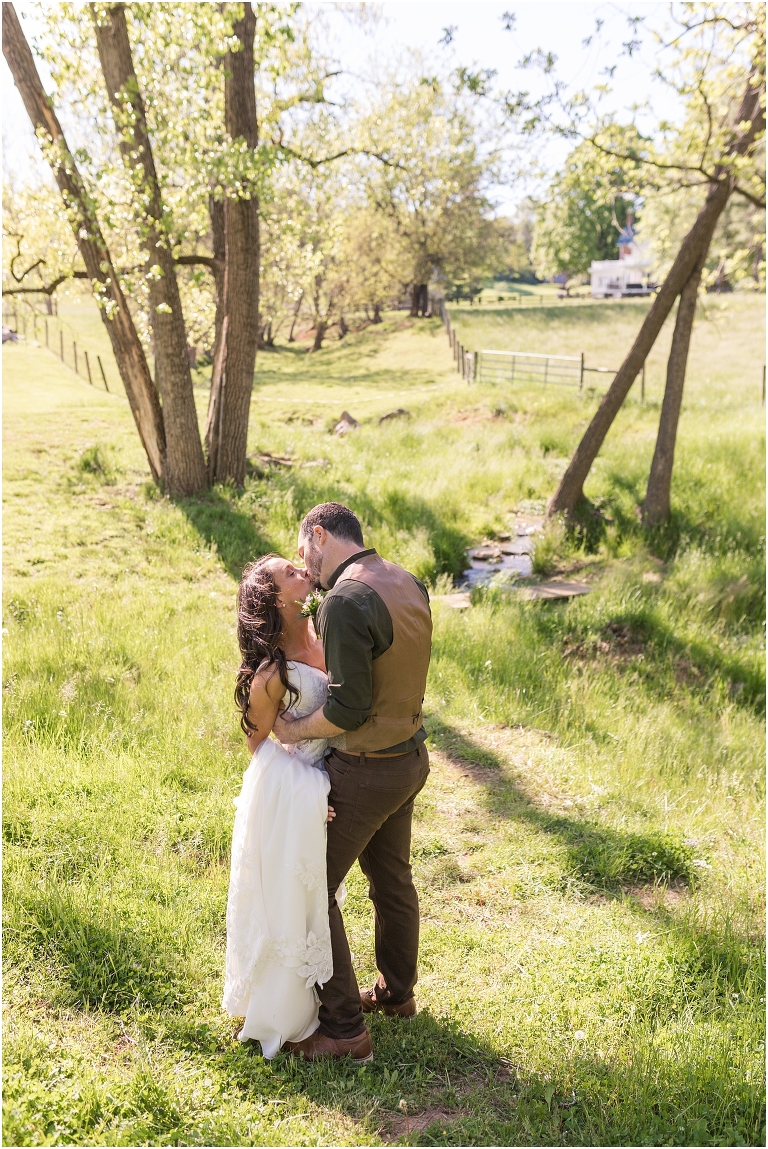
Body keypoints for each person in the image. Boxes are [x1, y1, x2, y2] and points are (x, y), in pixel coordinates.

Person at [274, 502, 433, 1064]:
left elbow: (348, 708)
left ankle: (344, 1030)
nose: (305, 566)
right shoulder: (406, 581)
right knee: (391, 879)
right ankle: (396, 994)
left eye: (303, 553)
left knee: (311, 889)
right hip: (410, 758)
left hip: (366, 769)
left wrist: (292, 728)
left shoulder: (344, 599)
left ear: (319, 536)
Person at [221, 554, 349, 1059]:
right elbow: (259, 746)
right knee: (291, 897)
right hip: (295, 792)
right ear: (274, 599)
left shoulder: (326, 626)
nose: (302, 571)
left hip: (337, 775)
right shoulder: (272, 671)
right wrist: (307, 793)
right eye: (289, 574)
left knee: (318, 893)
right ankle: (284, 1012)